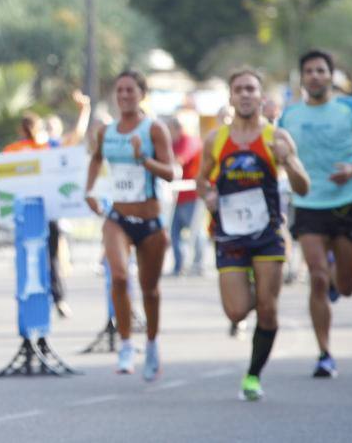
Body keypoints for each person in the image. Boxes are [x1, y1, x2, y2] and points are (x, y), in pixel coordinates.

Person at [198, 69, 310, 400]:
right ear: (231, 97)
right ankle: (248, 284)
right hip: (231, 234)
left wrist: (287, 161)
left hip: (267, 233)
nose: (245, 95)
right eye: (239, 90)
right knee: (235, 311)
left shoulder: (276, 137)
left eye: (251, 89)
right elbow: (201, 180)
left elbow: (304, 187)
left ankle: (253, 375)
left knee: (267, 308)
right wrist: (208, 195)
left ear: (261, 97)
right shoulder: (216, 139)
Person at [279, 49, 352, 378]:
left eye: (321, 70)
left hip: (347, 202)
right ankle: (324, 353)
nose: (315, 76)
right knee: (317, 277)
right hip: (309, 205)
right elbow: (279, 156)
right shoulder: (289, 116)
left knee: (346, 287)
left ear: (330, 75)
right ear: (302, 78)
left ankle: (337, 279)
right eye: (309, 71)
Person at [84, 69, 175, 380]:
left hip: (150, 221)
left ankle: (151, 344)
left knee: (150, 290)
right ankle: (125, 344)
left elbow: (170, 172)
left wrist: (143, 159)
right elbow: (96, 159)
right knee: (119, 277)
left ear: (142, 94)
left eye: (130, 91)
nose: (124, 96)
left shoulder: (154, 129)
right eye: (119, 91)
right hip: (117, 219)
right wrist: (90, 191)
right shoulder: (107, 131)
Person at [4, 112, 72, 317]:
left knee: (50, 258)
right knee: (29, 258)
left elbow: (72, 140)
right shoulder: (14, 151)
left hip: (46, 212)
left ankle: (57, 298)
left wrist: (84, 111)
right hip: (27, 214)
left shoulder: (47, 148)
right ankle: (31, 303)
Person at [165, 115, 205, 277]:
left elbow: (178, 160)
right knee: (174, 232)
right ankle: (178, 266)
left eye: (169, 130)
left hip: (191, 195)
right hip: (176, 197)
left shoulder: (190, 141)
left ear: (177, 129)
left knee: (195, 231)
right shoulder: (172, 143)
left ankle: (198, 264)